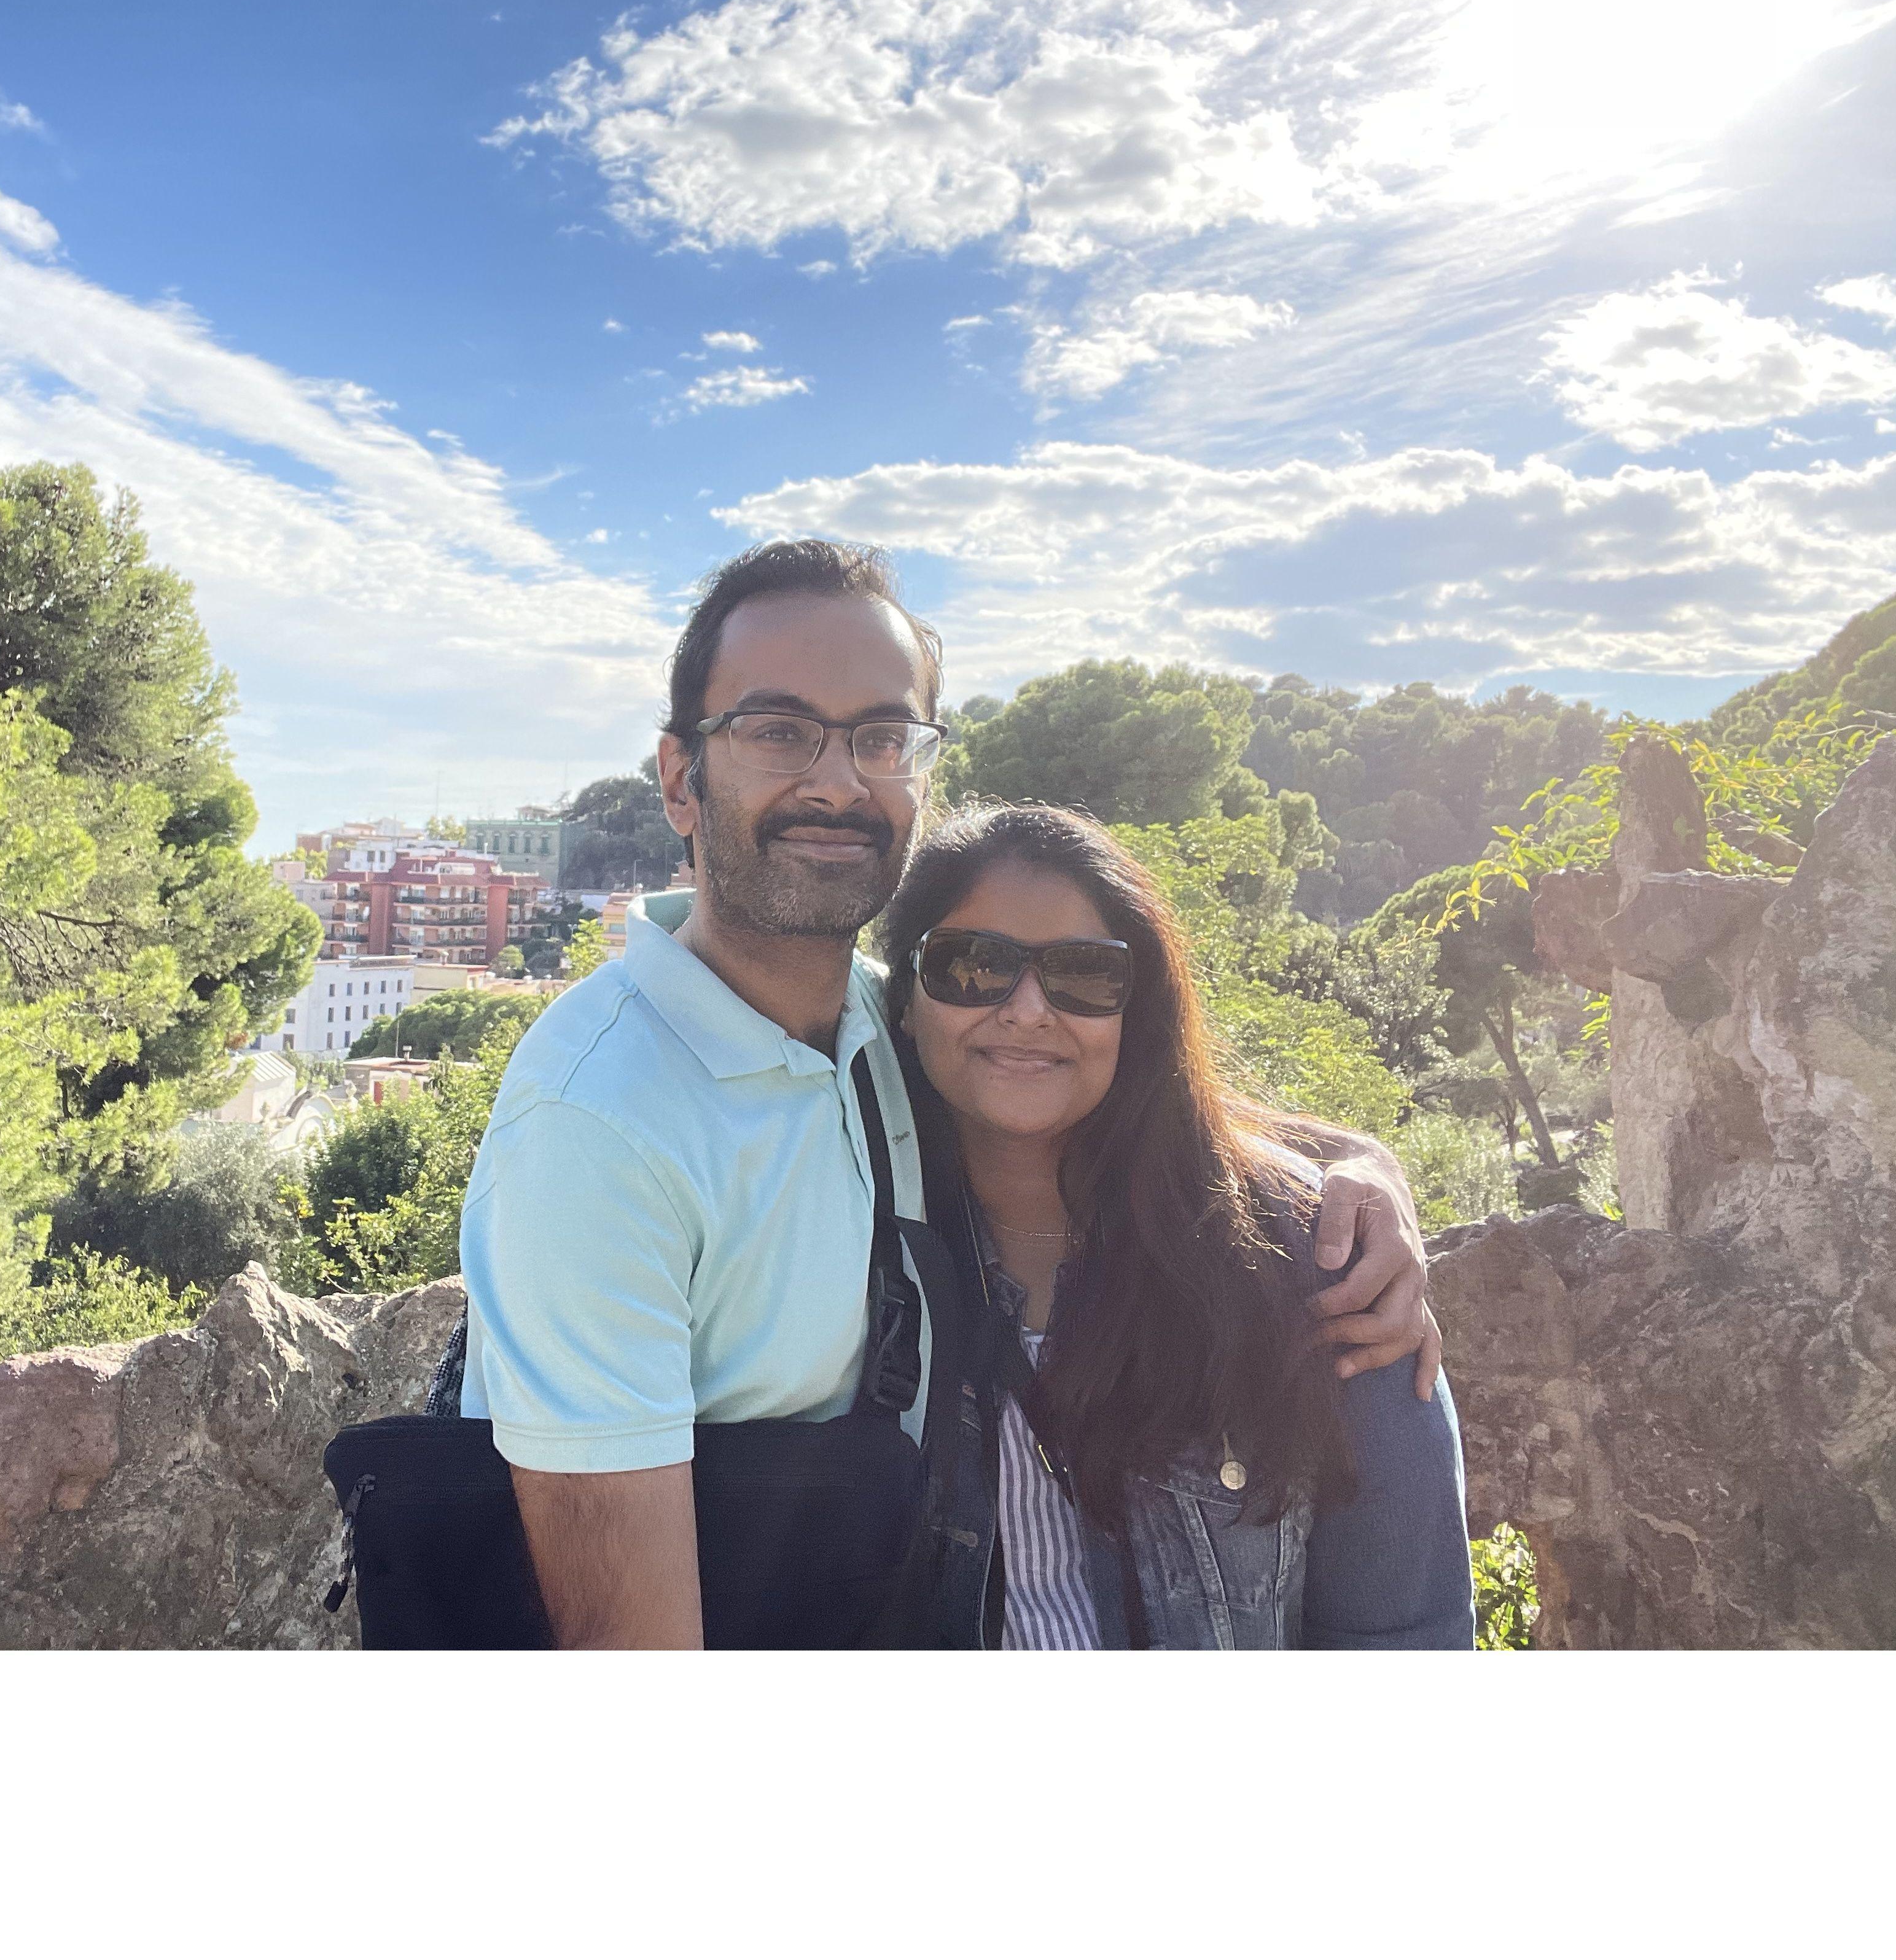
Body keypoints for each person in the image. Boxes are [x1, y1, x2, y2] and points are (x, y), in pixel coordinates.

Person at [456, 538, 1442, 1649]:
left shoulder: (885, 1019)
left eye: (882, 738)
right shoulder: (597, 1126)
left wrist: (1359, 1167)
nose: (837, 782)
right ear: (681, 778)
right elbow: (627, 1654)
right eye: (780, 730)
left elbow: (1106, 1073)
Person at [883, 801, 1473, 1648]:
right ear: (904, 999)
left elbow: (1407, 1637)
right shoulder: (848, 1239)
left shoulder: (1312, 1270)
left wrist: (1363, 1163)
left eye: (1083, 975)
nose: (1025, 1010)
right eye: (971, 967)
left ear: (1137, 1013)